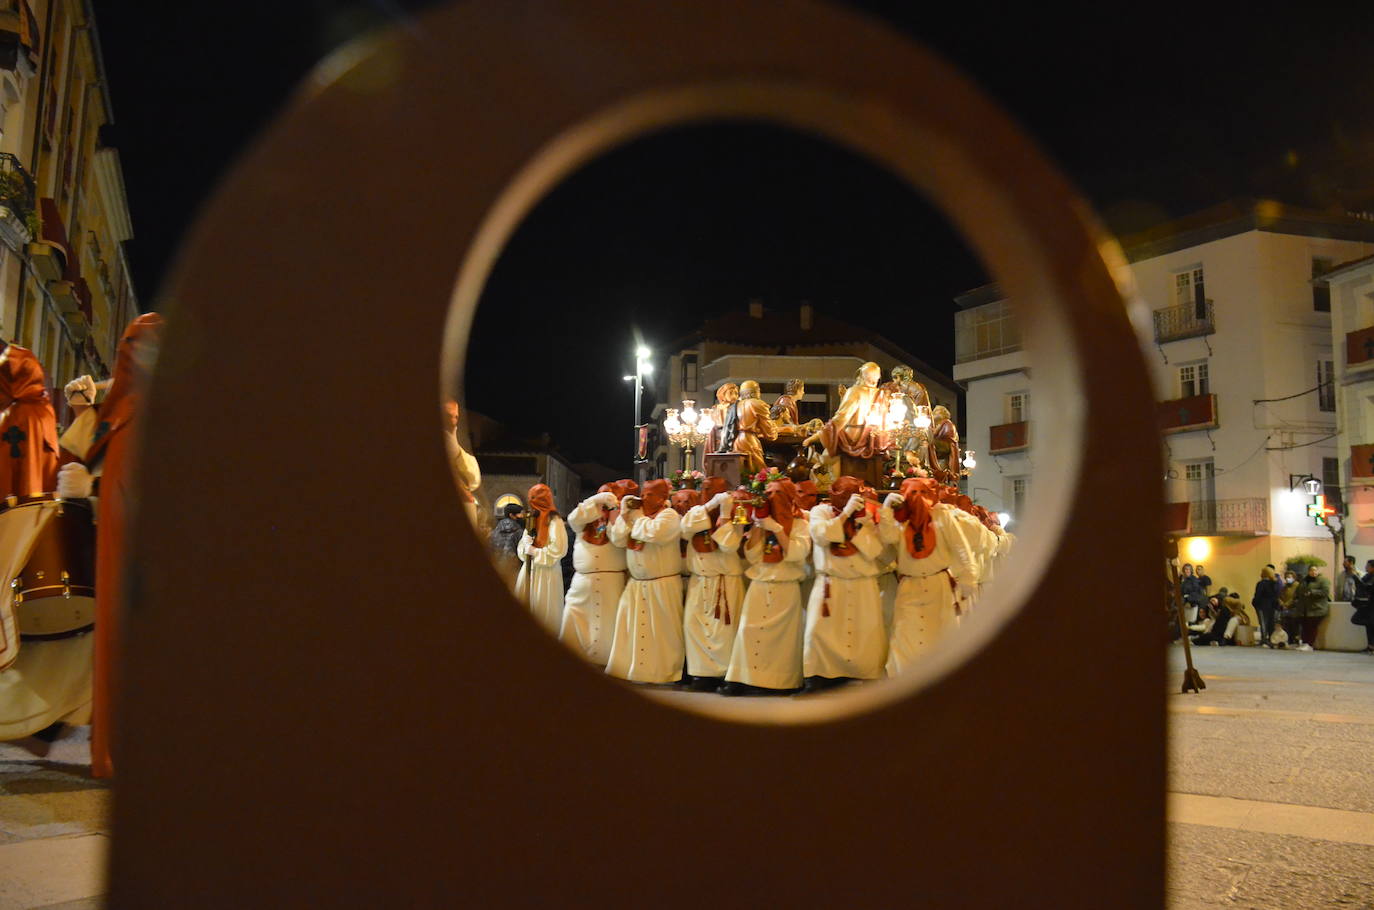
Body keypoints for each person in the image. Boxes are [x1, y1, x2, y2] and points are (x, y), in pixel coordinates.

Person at [54, 313, 164, 778]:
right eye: (135, 345)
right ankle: (114, 753)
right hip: (113, 548)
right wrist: (83, 485)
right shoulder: (115, 412)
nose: (144, 354)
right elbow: (83, 462)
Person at [879, 478, 979, 675]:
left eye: (921, 493)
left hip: (938, 586)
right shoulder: (900, 520)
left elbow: (961, 547)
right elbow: (887, 539)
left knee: (941, 636)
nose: (917, 498)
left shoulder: (943, 517)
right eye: (912, 493)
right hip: (910, 587)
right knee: (905, 635)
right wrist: (886, 511)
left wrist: (969, 578)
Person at [722, 479, 810, 695]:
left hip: (785, 586)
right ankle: (742, 678)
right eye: (769, 493)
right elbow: (752, 556)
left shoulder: (801, 524)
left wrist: (778, 529)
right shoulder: (762, 522)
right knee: (748, 632)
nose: (771, 498)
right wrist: (760, 526)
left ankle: (780, 683)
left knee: (782, 640)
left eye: (777, 494)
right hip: (760, 585)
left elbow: (797, 554)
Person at [801, 476, 887, 691]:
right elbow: (822, 536)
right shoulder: (820, 512)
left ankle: (865, 675)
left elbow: (875, 551)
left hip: (862, 583)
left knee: (865, 632)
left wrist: (862, 523)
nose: (853, 499)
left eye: (855, 494)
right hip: (831, 582)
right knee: (819, 631)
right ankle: (818, 676)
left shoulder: (868, 514)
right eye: (848, 494)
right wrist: (846, 514)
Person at [605, 479, 685, 684]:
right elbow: (618, 539)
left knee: (662, 634)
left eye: (649, 494)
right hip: (636, 584)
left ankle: (664, 674)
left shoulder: (669, 515)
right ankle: (632, 671)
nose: (643, 497)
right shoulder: (637, 516)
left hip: (662, 584)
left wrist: (636, 516)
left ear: (662, 498)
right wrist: (624, 515)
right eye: (643, 493)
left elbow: (653, 533)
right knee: (631, 630)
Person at [679, 477, 747, 690]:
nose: (704, 492)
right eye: (703, 488)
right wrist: (710, 506)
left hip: (724, 582)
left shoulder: (738, 512)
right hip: (699, 581)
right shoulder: (698, 511)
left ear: (724, 492)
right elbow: (685, 529)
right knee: (694, 626)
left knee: (724, 631)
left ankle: (726, 674)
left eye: (710, 489)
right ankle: (701, 675)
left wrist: (725, 514)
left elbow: (729, 544)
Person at [558, 481, 633, 666]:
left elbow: (621, 538)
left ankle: (607, 661)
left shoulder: (623, 519)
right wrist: (595, 501)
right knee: (573, 615)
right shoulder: (584, 522)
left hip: (612, 581)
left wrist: (614, 511)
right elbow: (574, 518)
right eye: (601, 497)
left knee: (609, 623)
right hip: (583, 581)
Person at [515, 484, 567, 635]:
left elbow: (558, 549)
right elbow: (523, 544)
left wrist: (535, 552)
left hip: (546, 574)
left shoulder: (554, 521)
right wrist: (525, 547)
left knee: (544, 611)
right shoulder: (532, 519)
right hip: (529, 570)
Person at [442, 399, 482, 526]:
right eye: (448, 416)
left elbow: (474, 478)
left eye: (456, 417)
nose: (453, 421)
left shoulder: (453, 439)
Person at [732, 380, 778, 475]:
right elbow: (770, 433)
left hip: (737, 441)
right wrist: (775, 429)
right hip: (750, 441)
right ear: (755, 391)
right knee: (758, 472)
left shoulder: (735, 406)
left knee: (741, 473)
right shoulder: (758, 404)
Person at [1291, 564, 1331, 651]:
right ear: (1308, 571)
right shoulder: (1304, 581)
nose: (1313, 572)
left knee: (1312, 626)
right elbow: (1298, 591)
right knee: (1305, 626)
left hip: (1317, 608)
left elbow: (1325, 592)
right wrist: (1296, 598)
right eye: (1311, 570)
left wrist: (1312, 592)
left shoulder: (1323, 581)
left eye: (1315, 570)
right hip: (1304, 609)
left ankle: (1310, 644)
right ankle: (1304, 643)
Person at [488, 503, 525, 589]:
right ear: (511, 515)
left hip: (497, 568)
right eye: (520, 513)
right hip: (514, 568)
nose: (522, 516)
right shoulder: (519, 532)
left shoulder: (495, 531)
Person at [1251, 566, 1280, 648]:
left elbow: (1258, 596)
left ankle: (1264, 639)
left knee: (1263, 622)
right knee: (1271, 622)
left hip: (1262, 606)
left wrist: (1254, 603)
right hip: (1272, 606)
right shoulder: (1275, 583)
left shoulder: (1261, 583)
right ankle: (1271, 638)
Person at [1354, 559, 1374, 655]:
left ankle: (1371, 646)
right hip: (1366, 605)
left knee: (1370, 624)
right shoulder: (1367, 576)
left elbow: (1368, 587)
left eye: (1368, 566)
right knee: (1365, 623)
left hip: (1371, 605)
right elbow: (1362, 586)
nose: (1366, 567)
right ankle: (1370, 646)